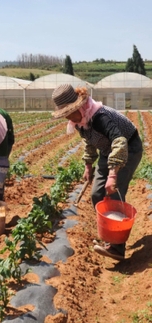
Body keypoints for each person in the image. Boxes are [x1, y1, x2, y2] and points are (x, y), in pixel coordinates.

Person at [51, 84, 143, 261]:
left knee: (113, 193)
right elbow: (89, 141)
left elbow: (119, 140)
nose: (67, 117)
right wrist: (88, 166)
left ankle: (117, 247)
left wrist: (113, 175)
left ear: (78, 106)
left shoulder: (100, 117)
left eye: (68, 112)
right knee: (97, 194)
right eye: (65, 114)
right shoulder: (79, 121)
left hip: (128, 148)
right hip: (107, 150)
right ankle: (109, 235)